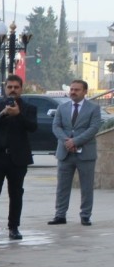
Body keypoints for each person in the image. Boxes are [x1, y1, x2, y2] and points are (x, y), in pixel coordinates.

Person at [0, 74, 37, 241]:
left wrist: (18, 114)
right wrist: (2, 114)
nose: (13, 90)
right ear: (5, 89)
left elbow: (33, 127)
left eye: (16, 87)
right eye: (10, 87)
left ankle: (14, 227)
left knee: (16, 194)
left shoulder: (28, 107)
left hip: (18, 158)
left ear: (21, 89)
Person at [50, 79, 102, 226]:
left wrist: (76, 141)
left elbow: (93, 128)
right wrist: (67, 141)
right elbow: (56, 127)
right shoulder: (62, 107)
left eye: (77, 90)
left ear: (85, 91)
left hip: (85, 153)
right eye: (72, 89)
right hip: (65, 153)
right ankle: (60, 215)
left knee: (86, 186)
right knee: (62, 186)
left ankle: (85, 215)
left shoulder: (93, 108)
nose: (73, 92)